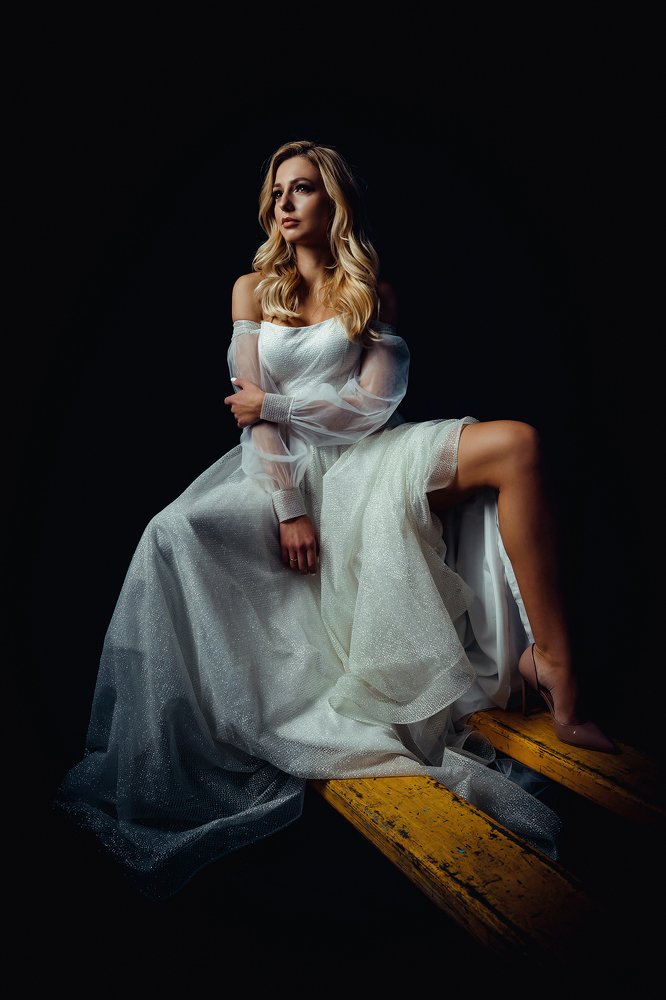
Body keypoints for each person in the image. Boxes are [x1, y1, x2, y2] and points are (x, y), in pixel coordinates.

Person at [53, 138, 613, 902]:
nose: (284, 203)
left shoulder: (370, 291)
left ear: (333, 201)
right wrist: (290, 508)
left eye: (302, 188)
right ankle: (180, 741)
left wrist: (276, 402)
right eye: (277, 190)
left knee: (518, 444)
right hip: (284, 472)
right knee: (171, 531)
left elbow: (369, 408)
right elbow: (254, 419)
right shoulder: (253, 289)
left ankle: (557, 674)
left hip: (367, 459)